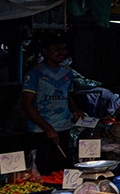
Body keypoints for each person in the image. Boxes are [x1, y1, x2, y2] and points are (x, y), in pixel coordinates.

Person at [21, 35, 84, 175]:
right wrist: (47, 128)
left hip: (63, 127)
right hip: (40, 132)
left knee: (61, 169)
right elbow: (26, 104)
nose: (62, 52)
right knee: (43, 171)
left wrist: (75, 110)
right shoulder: (35, 73)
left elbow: (65, 95)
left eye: (64, 49)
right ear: (45, 51)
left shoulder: (67, 72)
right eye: (57, 49)